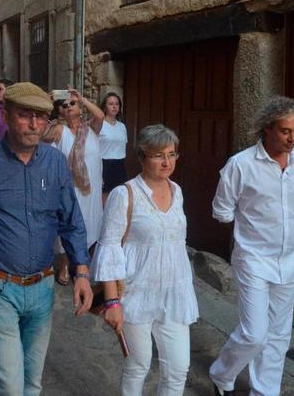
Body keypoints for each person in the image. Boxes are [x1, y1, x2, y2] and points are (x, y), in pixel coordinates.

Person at [0, 82, 93, 396]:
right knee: (10, 386)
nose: (34, 124)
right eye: (25, 116)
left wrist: (81, 272)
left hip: (42, 287)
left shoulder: (53, 162)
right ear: (6, 116)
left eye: (41, 117)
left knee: (32, 383)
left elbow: (71, 220)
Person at [209, 96, 294, 396]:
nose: (292, 138)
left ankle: (264, 392)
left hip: (291, 260)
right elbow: (222, 210)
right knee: (255, 335)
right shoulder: (240, 165)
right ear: (267, 128)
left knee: (279, 336)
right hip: (253, 260)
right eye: (285, 131)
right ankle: (221, 373)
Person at [94, 124, 197, 395]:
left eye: (172, 154)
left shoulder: (178, 192)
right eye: (158, 155)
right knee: (138, 365)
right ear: (141, 157)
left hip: (174, 293)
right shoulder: (124, 194)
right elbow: (109, 247)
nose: (167, 162)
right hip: (136, 295)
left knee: (178, 369)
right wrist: (112, 301)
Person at [44, 88, 104, 285]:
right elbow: (39, 133)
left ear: (80, 108)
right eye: (64, 105)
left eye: (72, 103)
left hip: (90, 188)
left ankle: (83, 265)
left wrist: (83, 98)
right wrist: (46, 102)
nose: (68, 106)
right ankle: (64, 264)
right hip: (69, 188)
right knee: (67, 223)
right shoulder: (59, 130)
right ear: (59, 111)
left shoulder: (91, 128)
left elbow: (100, 114)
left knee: (90, 223)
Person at [98, 92, 128, 204]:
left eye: (117, 104)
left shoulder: (122, 126)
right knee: (105, 201)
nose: (114, 106)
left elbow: (122, 147)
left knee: (119, 199)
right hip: (104, 165)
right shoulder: (100, 125)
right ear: (105, 106)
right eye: (111, 104)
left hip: (119, 166)